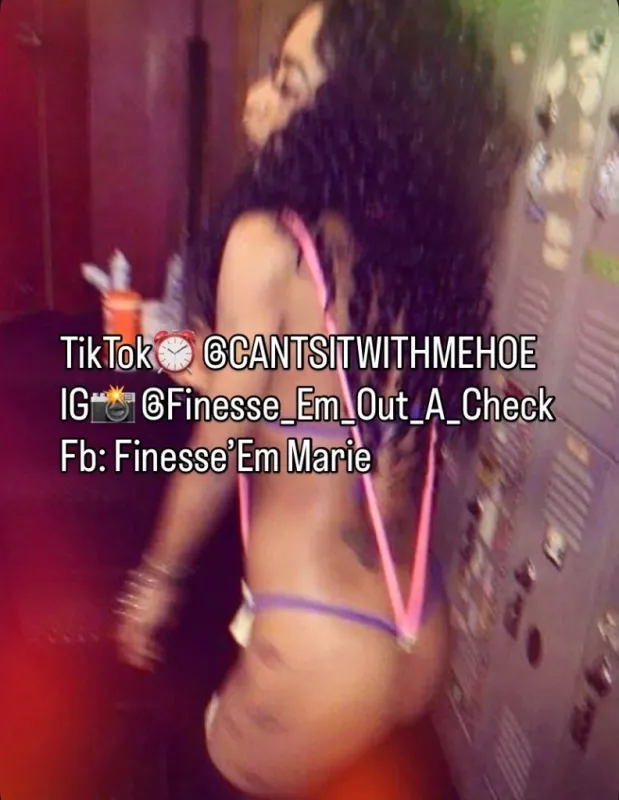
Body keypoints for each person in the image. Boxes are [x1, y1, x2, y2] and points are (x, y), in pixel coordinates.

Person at [116, 0, 524, 797]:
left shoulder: (268, 241)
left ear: (348, 118)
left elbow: (222, 443)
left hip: (314, 645)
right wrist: (218, 371)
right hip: (412, 621)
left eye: (287, 83)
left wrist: (154, 580)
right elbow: (331, 412)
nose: (255, 99)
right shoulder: (411, 249)